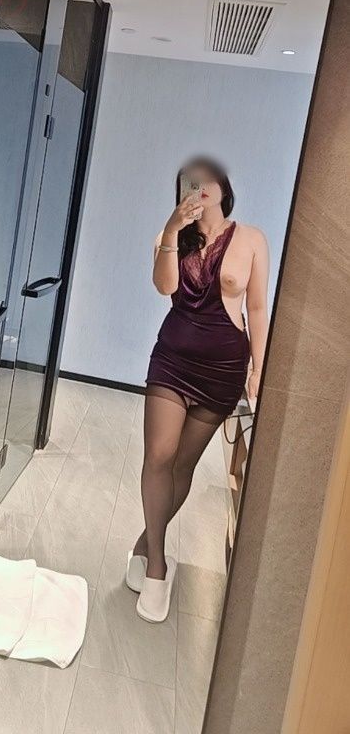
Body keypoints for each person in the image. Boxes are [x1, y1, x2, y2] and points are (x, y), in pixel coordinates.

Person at [127, 155, 269, 623]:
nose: (201, 184)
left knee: (182, 466)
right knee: (159, 456)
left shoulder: (251, 239)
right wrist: (172, 229)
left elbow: (257, 308)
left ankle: (145, 541)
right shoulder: (170, 236)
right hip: (171, 361)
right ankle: (157, 567)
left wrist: (259, 370)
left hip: (222, 370)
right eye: (192, 180)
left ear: (224, 188)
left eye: (209, 178)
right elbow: (165, 286)